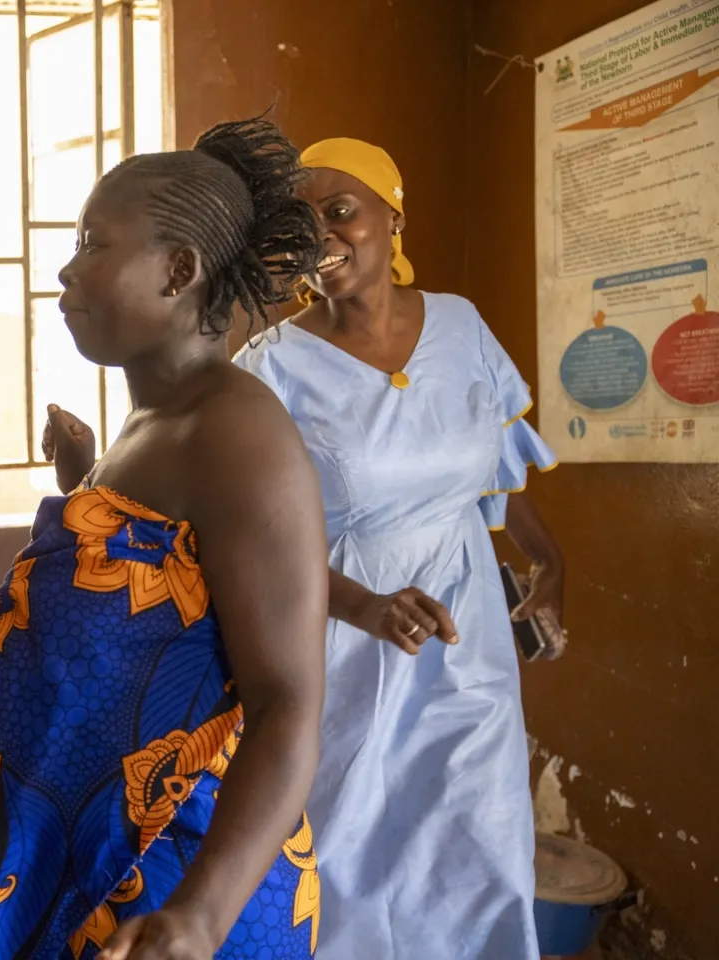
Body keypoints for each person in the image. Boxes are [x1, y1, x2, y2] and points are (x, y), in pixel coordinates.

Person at [0, 117, 329, 960]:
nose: (67, 268)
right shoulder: (153, 425)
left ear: (179, 271)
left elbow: (288, 704)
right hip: (73, 865)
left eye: (93, 243)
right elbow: (162, 583)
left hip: (158, 888)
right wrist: (83, 482)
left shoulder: (238, 433)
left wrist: (200, 917)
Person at [234, 138, 565, 958]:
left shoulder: (460, 325)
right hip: (340, 631)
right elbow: (249, 540)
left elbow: (496, 462)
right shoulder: (272, 368)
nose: (322, 234)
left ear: (394, 217)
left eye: (341, 211)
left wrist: (548, 560)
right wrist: (362, 607)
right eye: (301, 221)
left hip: (464, 626)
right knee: (347, 843)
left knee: (477, 839)